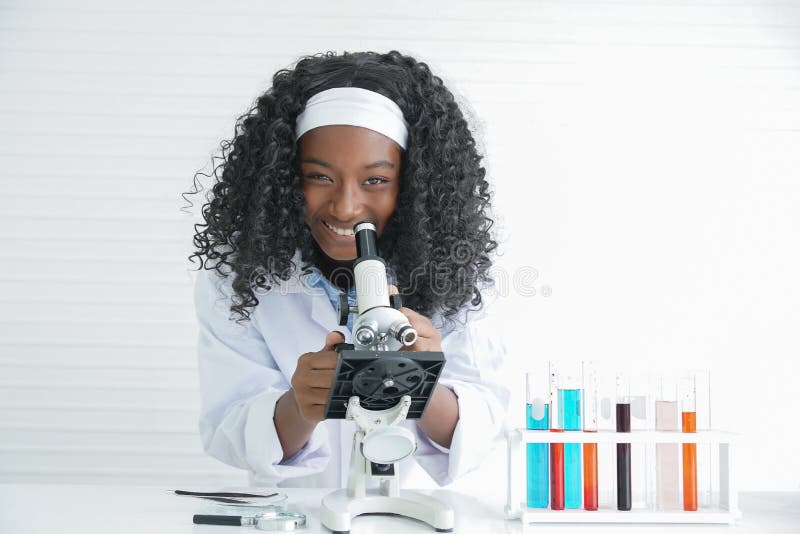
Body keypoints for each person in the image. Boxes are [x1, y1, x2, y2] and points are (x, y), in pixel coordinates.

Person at [186, 50, 509, 488]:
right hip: (297, 512)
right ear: (285, 177)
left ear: (412, 183)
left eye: (375, 180)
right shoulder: (239, 276)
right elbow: (230, 429)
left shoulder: (453, 271)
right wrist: (301, 405)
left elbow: (484, 429)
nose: (345, 206)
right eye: (319, 177)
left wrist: (422, 383)